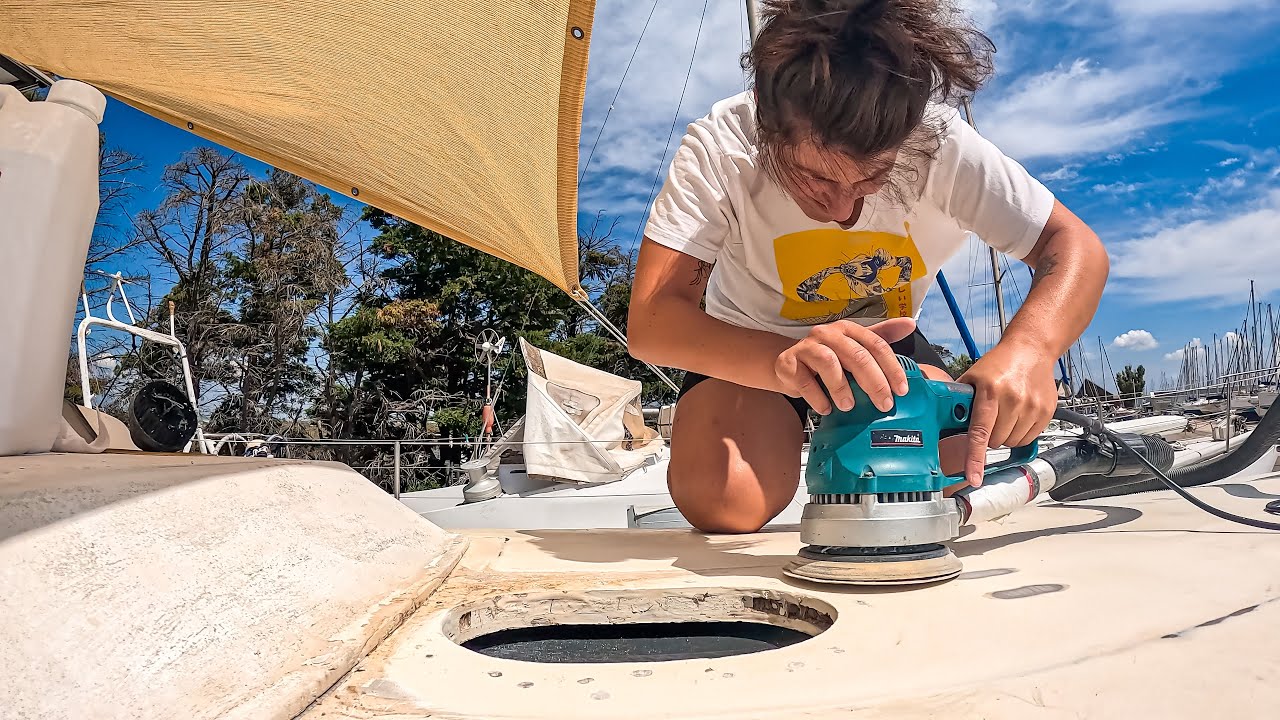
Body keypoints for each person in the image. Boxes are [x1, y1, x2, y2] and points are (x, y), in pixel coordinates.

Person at [627, 0, 1109, 533]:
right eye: (817, 179)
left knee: (933, 478)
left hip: (885, 345)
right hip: (752, 340)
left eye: (871, 177)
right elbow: (653, 322)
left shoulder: (941, 143)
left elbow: (1074, 245)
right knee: (723, 501)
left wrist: (1029, 351)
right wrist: (785, 362)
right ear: (767, 125)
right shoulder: (722, 146)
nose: (843, 212)